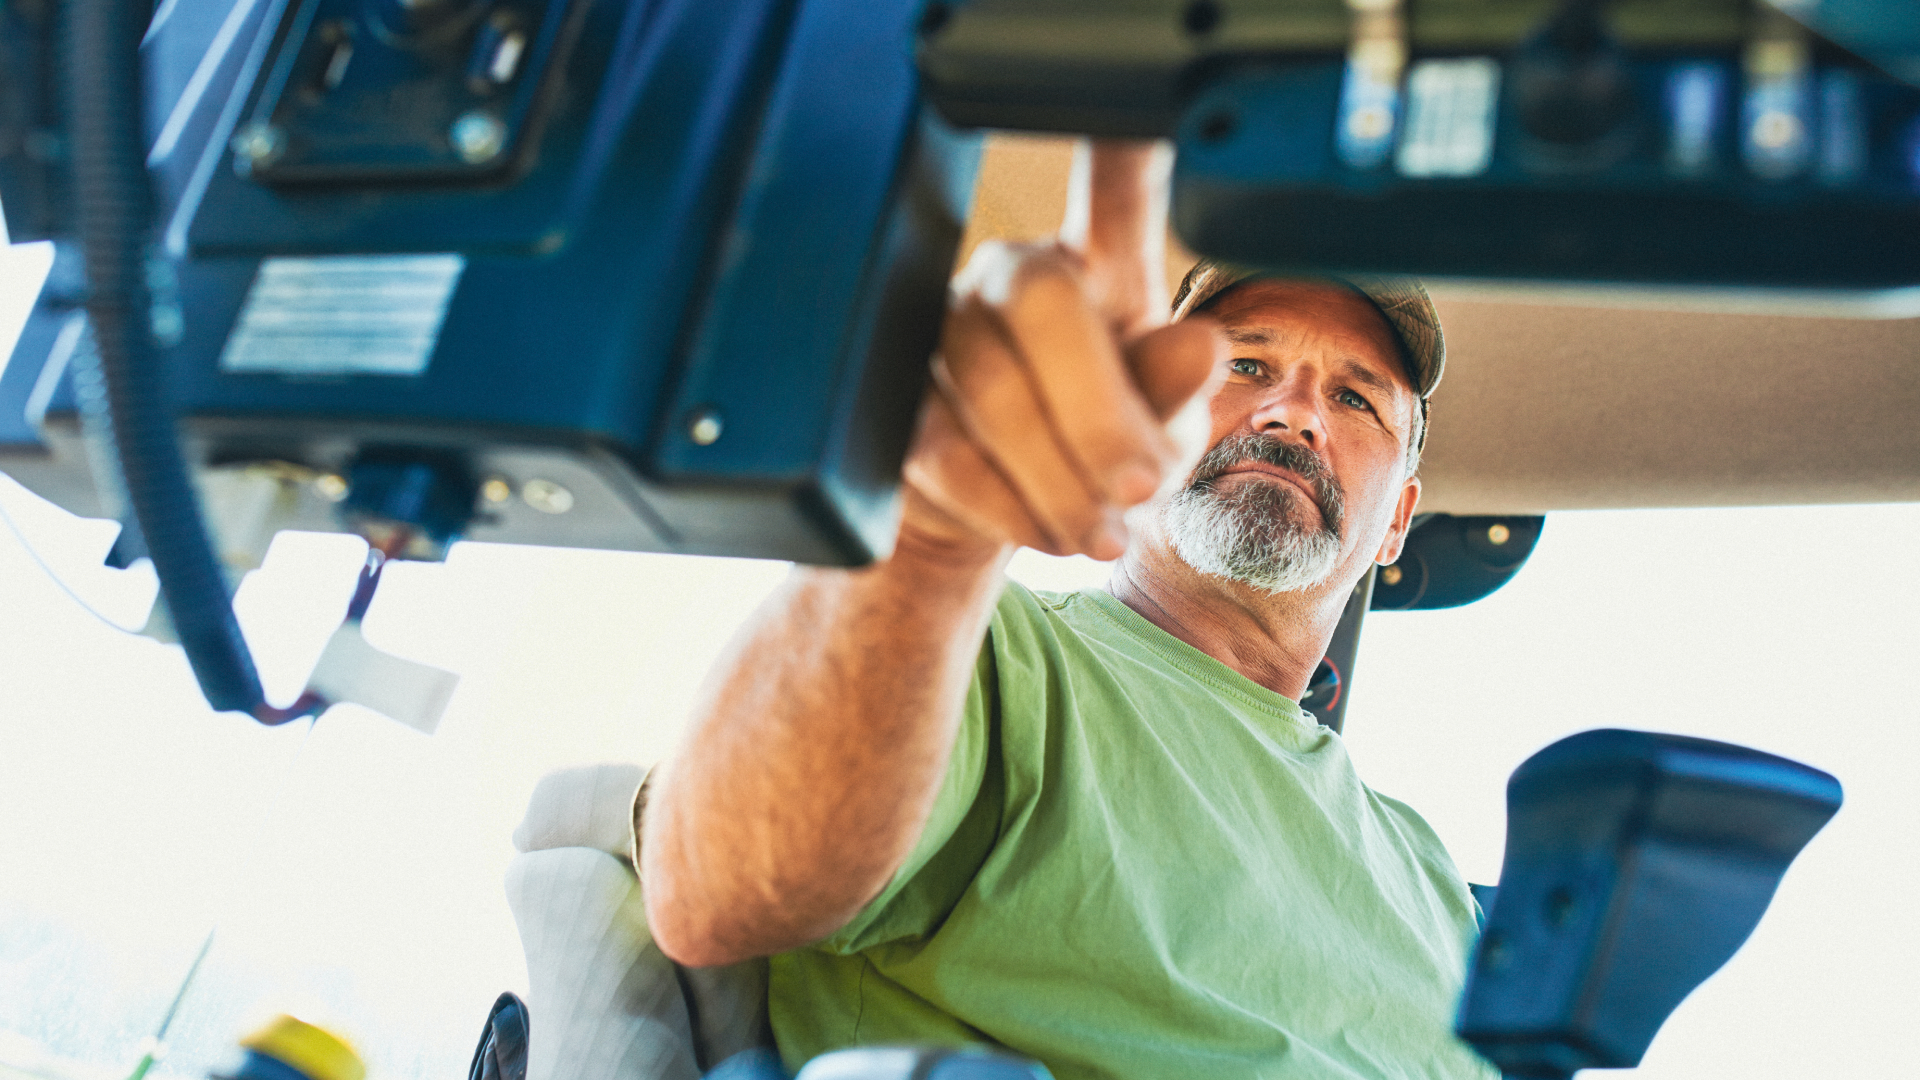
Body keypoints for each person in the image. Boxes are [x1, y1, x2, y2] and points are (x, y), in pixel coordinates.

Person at [638, 142, 1496, 1080]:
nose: (1293, 415)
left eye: (1355, 397)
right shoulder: (983, 649)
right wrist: (934, 528)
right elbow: (713, 894)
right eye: (1246, 365)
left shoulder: (1431, 880)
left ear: (1397, 526)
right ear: (1149, 418)